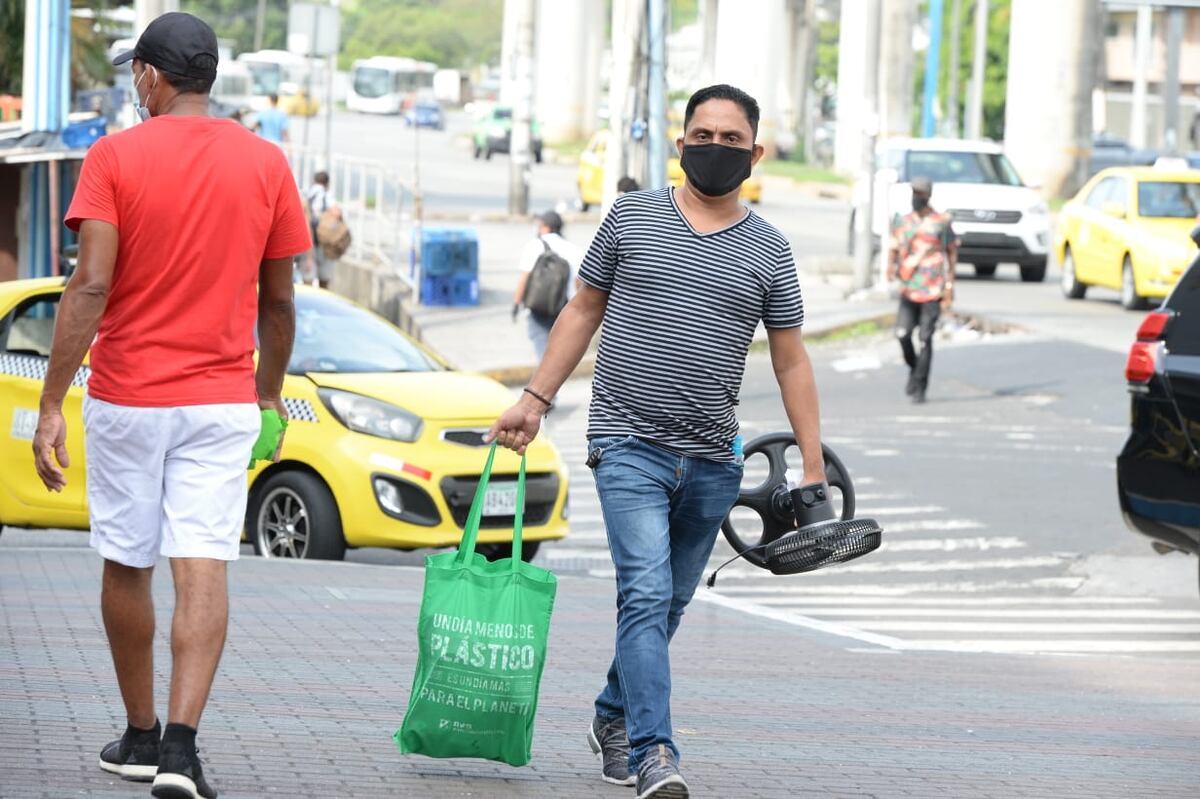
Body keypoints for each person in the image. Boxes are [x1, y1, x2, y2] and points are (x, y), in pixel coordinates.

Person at [487, 84, 825, 799]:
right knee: (642, 594)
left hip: (712, 458)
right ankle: (655, 752)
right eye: (703, 134)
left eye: (732, 140)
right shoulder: (632, 215)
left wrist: (813, 465)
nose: (715, 148)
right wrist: (534, 398)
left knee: (665, 605)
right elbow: (584, 308)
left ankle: (613, 714)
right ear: (680, 144)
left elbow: (791, 357)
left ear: (755, 154)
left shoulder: (769, 248)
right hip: (628, 442)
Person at [31, 12, 310, 799]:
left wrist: (52, 400)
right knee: (204, 564)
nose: (134, 84)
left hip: (127, 395)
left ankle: (142, 733)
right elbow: (280, 302)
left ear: (152, 76)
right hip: (221, 399)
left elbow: (89, 286)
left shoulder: (114, 156)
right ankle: (182, 750)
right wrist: (268, 394)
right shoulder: (264, 162)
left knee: (129, 561)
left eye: (136, 72)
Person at [887, 176, 957, 404]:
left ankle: (920, 386)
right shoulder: (903, 221)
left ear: (927, 196)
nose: (915, 198)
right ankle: (915, 368)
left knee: (926, 338)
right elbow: (894, 246)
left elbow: (951, 253)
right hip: (909, 288)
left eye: (919, 194)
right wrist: (890, 267)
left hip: (932, 289)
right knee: (902, 334)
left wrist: (949, 285)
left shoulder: (941, 222)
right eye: (913, 193)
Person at [512, 210, 583, 359]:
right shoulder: (573, 249)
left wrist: (516, 303)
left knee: (542, 352)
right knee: (557, 353)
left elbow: (524, 278)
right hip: (563, 309)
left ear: (546, 227)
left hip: (537, 308)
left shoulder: (534, 246)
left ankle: (544, 381)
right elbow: (579, 284)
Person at [304, 171, 337, 287]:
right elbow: (336, 213)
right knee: (324, 280)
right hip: (324, 242)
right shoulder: (326, 194)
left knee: (307, 280)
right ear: (327, 183)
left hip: (308, 243)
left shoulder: (307, 194)